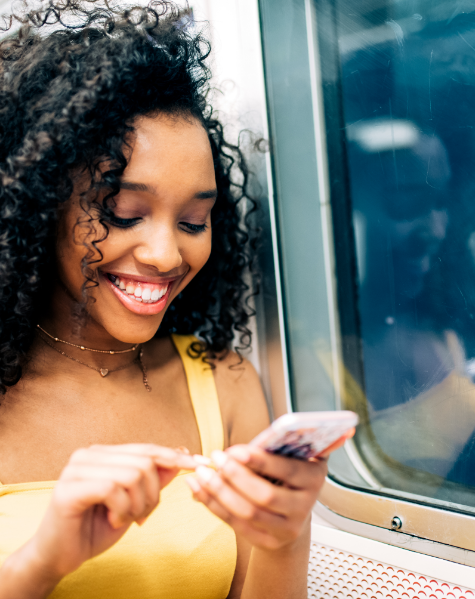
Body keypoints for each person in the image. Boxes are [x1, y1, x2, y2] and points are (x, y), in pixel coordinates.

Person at [0, 1, 345, 598]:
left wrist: (284, 538)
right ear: (37, 206)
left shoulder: (223, 381)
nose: (164, 255)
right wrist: (40, 562)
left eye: (192, 221)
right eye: (123, 213)